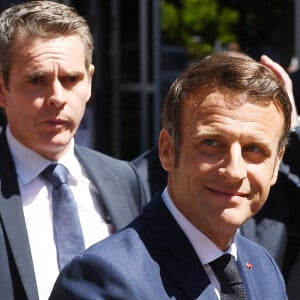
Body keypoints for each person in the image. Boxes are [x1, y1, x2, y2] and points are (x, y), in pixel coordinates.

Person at [50, 52, 291, 299]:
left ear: (276, 165)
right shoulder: (102, 281)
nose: (234, 171)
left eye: (254, 149)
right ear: (167, 150)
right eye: (211, 142)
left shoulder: (263, 268)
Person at [0, 2, 146, 300]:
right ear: (2, 88)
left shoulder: (123, 179)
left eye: (71, 79)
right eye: (36, 80)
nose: (56, 97)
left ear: (89, 81)